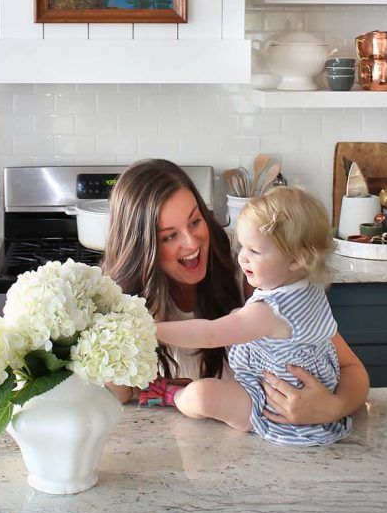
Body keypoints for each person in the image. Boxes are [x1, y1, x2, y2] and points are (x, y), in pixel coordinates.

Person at [103, 158, 369, 425]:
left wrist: (332, 408)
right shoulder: (126, 302)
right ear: (142, 248)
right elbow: (121, 395)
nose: (191, 242)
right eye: (169, 236)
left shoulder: (258, 270)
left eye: (195, 221)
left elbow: (353, 370)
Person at [156, 186, 353, 445]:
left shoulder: (268, 312)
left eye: (254, 252)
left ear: (295, 259)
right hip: (313, 398)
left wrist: (152, 329)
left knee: (199, 396)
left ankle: (170, 395)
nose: (242, 258)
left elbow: (211, 332)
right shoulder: (308, 289)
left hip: (271, 405)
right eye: (243, 247)